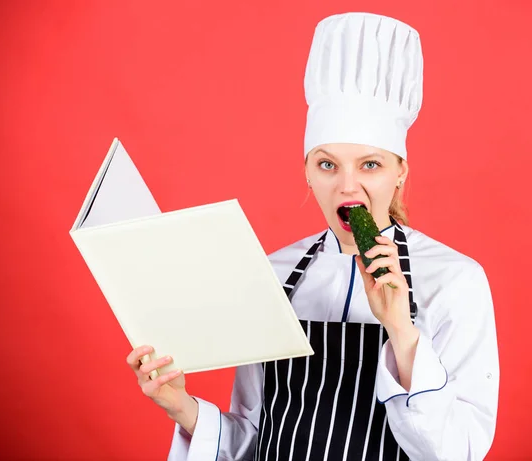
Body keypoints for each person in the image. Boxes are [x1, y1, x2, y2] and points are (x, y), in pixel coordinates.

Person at [126, 11, 499, 461]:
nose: (346, 186)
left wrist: (401, 331)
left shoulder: (455, 281)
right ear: (306, 171)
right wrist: (180, 407)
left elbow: (455, 453)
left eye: (370, 165)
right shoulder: (273, 275)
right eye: (327, 165)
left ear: (400, 172)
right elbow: (253, 438)